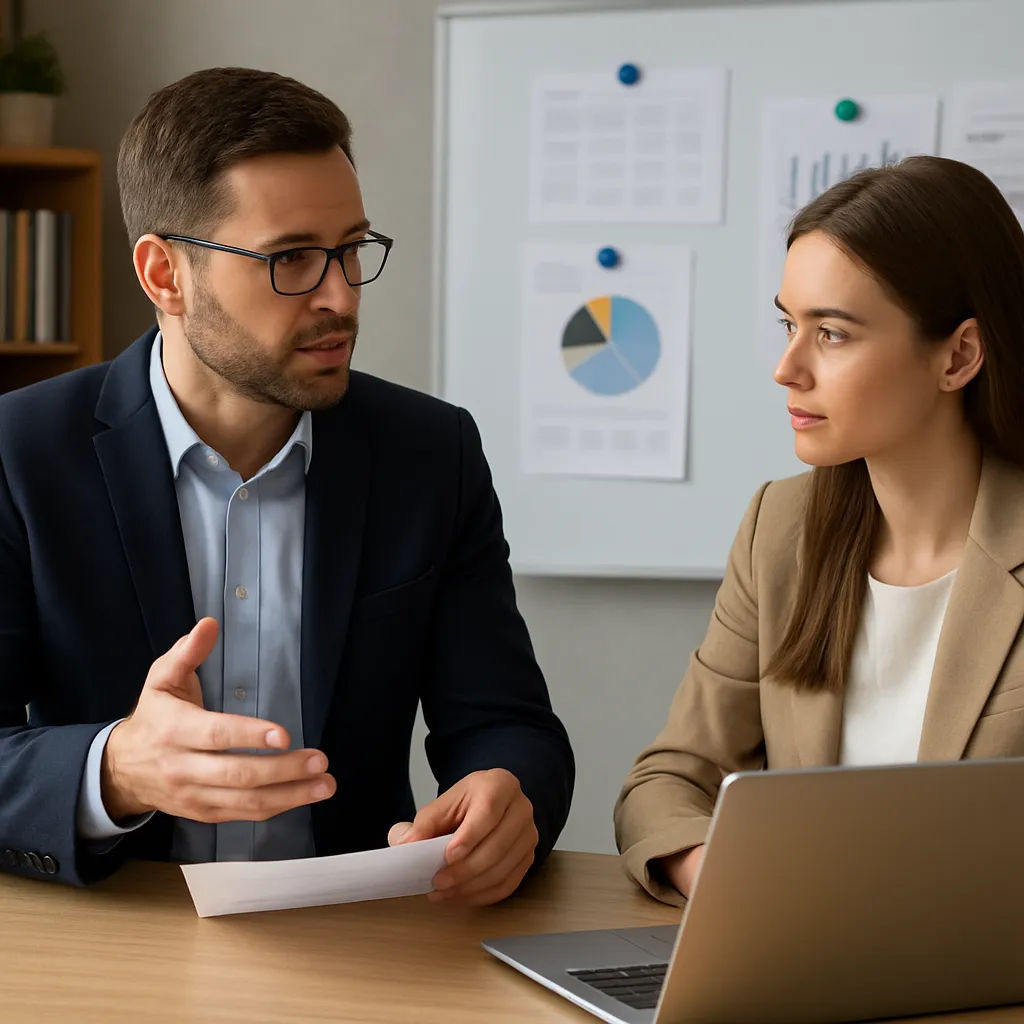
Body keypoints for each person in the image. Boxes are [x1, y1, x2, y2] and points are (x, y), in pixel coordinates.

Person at [0, 67, 574, 903]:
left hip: (355, 934)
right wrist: (116, 769)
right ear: (165, 275)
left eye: (351, 250)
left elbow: (505, 721)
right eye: (292, 259)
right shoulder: (19, 453)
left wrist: (509, 796)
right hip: (117, 938)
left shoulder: (428, 452)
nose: (340, 297)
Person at [615, 155, 1024, 906]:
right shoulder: (782, 528)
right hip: (802, 963)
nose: (787, 368)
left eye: (832, 334)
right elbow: (669, 780)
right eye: (789, 324)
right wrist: (724, 878)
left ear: (958, 354)